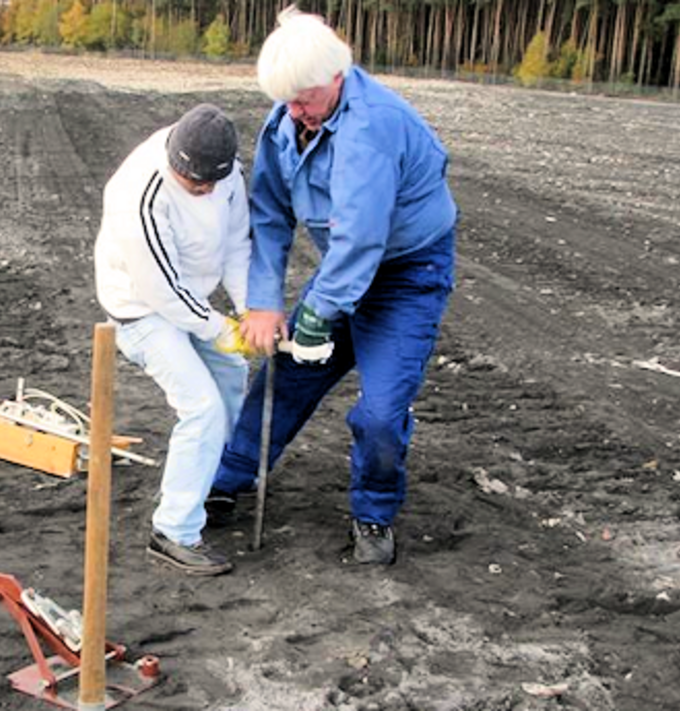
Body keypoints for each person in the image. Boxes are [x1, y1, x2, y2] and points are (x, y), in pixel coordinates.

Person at [206, 9, 458, 566]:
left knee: (381, 414)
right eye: (286, 101)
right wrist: (263, 303)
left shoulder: (373, 128)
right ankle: (227, 478)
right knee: (285, 377)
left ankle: (374, 514)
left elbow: (362, 237)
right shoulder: (285, 121)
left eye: (304, 100)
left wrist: (319, 312)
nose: (295, 112)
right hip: (344, 271)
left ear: (337, 75)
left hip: (406, 274)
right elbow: (269, 213)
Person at [93, 103, 254, 576]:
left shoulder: (227, 173)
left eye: (212, 183)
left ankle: (213, 481)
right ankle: (174, 532)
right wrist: (219, 327)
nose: (204, 191)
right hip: (140, 308)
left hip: (190, 297)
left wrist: (249, 311)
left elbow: (237, 245)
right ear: (175, 159)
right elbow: (160, 290)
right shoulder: (139, 194)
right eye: (194, 183)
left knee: (232, 374)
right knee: (201, 407)